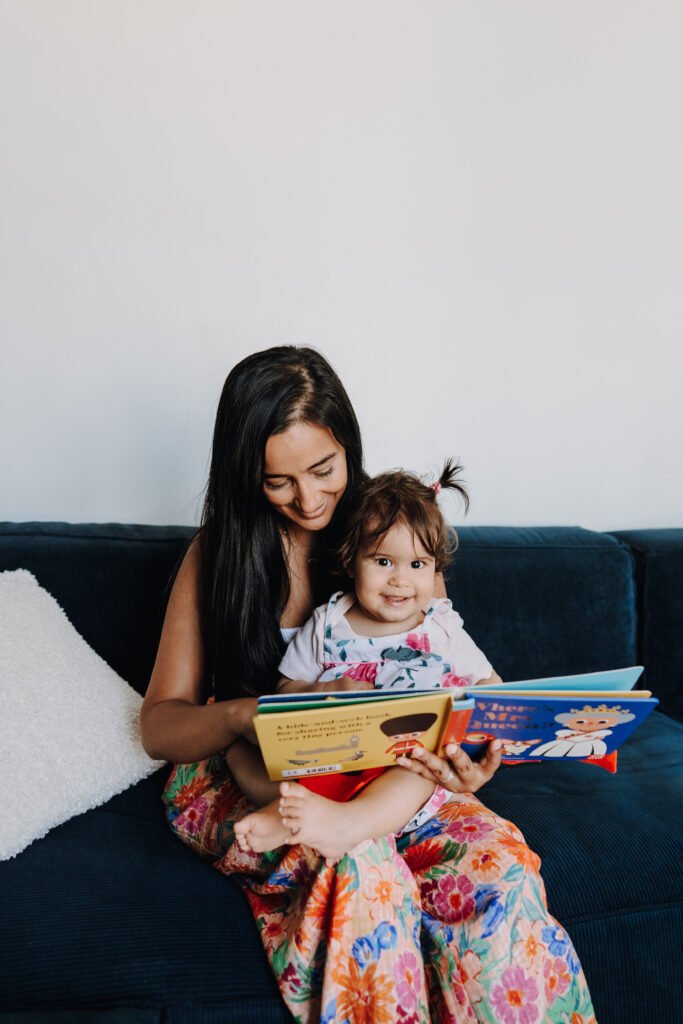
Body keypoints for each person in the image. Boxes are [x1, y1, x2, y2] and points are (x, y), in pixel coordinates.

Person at [142, 346, 596, 1024]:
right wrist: (250, 712)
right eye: (277, 481)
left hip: (390, 773)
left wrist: (462, 767)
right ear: (245, 476)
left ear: (347, 446)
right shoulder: (219, 555)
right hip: (255, 765)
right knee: (364, 872)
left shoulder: (392, 538)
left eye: (323, 469)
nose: (308, 498)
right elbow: (159, 725)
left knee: (497, 869)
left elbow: (451, 685)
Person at [233, 461, 504, 859]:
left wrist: (480, 723)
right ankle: (291, 811)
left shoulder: (442, 627)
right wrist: (324, 690)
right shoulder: (328, 623)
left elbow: (491, 686)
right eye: (382, 562)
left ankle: (346, 824)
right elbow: (284, 690)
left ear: (435, 568)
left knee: (415, 773)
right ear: (351, 560)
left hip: (405, 771)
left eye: (417, 565)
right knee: (240, 752)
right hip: (332, 761)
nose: (400, 579)